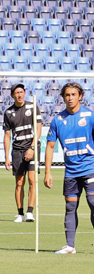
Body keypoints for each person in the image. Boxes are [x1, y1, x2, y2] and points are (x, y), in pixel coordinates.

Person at [44, 82, 94, 255]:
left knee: (93, 202)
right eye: (67, 95)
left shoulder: (90, 116)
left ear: (80, 96)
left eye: (73, 94)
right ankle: (70, 245)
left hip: (90, 166)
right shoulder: (58, 120)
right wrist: (48, 172)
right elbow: (49, 146)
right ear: (63, 97)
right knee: (70, 207)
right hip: (71, 170)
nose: (70, 98)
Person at [3, 84, 41, 222]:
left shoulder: (32, 107)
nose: (20, 95)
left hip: (32, 148)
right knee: (19, 183)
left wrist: (32, 148)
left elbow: (38, 130)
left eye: (22, 92)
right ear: (13, 95)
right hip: (17, 150)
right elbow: (7, 136)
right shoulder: (8, 113)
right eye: (17, 93)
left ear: (25, 93)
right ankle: (19, 213)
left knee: (32, 179)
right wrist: (6, 157)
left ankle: (29, 212)